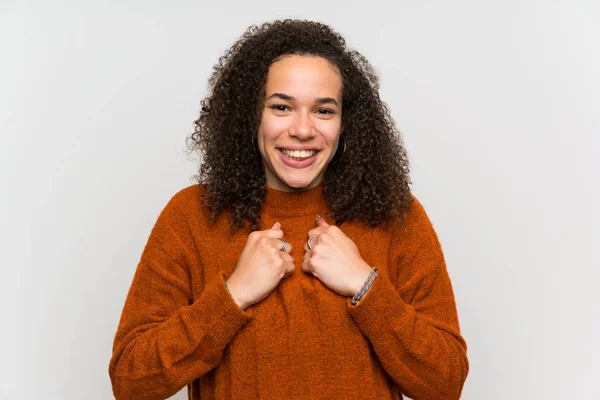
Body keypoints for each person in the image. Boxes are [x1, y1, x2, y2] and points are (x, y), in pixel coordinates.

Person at [109, 19, 469, 400]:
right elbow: (132, 381)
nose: (302, 129)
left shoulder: (396, 215)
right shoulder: (193, 216)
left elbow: (445, 383)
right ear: (251, 114)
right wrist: (232, 296)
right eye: (281, 106)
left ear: (346, 122)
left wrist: (367, 288)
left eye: (324, 111)